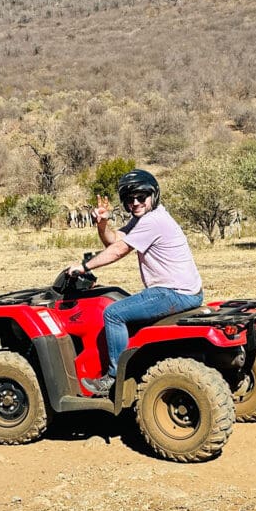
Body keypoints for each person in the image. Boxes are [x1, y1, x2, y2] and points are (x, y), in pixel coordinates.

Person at [67, 169, 203, 396]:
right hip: (183, 290)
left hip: (174, 292)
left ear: (153, 195)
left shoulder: (153, 221)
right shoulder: (145, 218)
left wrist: (85, 267)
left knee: (114, 313)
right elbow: (114, 240)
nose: (136, 203)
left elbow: (119, 251)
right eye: (130, 199)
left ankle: (115, 378)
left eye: (141, 197)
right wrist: (102, 223)